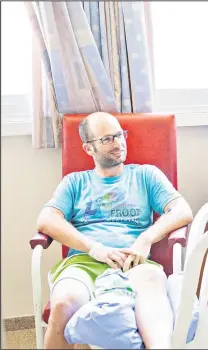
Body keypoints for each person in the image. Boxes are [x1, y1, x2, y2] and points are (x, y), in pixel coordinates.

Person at [36, 112, 194, 349]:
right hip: (83, 263)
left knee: (152, 299)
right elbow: (47, 220)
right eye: (107, 139)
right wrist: (94, 248)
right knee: (63, 305)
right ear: (88, 149)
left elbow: (182, 210)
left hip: (134, 263)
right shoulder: (75, 183)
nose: (118, 144)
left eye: (120, 135)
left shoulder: (145, 175)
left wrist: (146, 238)